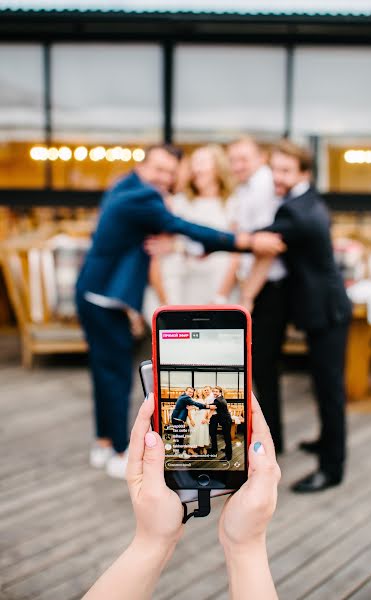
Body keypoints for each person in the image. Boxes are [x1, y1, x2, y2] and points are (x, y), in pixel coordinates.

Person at [76, 144, 279, 479]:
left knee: (105, 371)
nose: (165, 177)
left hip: (98, 290)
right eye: (159, 168)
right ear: (143, 164)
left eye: (171, 171)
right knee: (114, 374)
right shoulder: (144, 196)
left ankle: (103, 443)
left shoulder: (124, 186)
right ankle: (115, 449)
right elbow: (187, 228)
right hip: (105, 294)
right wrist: (245, 242)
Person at [83, 392, 280, 600]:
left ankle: (197, 452)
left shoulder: (205, 400)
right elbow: (197, 405)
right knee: (190, 437)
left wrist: (152, 540)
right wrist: (246, 544)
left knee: (196, 437)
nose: (199, 394)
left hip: (196, 420)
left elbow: (206, 407)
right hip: (185, 420)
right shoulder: (187, 399)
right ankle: (194, 452)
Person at [250, 139, 352, 492]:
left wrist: (211, 239)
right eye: (274, 169)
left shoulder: (293, 210)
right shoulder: (307, 200)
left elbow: (256, 240)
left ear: (304, 173)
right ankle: (326, 441)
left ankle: (332, 467)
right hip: (323, 307)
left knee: (329, 390)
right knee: (324, 385)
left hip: (327, 311)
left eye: (286, 171)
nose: (278, 177)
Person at [216, 136, 290, 455]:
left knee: (263, 366)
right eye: (232, 160)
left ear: (260, 157)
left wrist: (247, 295)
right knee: (259, 366)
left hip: (268, 290)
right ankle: (267, 438)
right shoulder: (248, 188)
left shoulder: (262, 188)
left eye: (243, 158)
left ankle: (270, 442)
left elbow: (266, 248)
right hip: (259, 288)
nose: (236, 166)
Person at [150, 143, 236, 307]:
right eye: (193, 163)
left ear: (218, 167)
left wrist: (221, 295)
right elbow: (161, 248)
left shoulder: (232, 203)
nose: (196, 169)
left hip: (219, 283)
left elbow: (236, 252)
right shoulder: (179, 203)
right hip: (188, 284)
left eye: (202, 162)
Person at [209, 386, 233, 461]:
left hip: (226, 420)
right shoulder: (221, 398)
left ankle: (228, 456)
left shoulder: (218, 400)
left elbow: (209, 406)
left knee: (227, 438)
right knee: (226, 437)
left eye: (216, 391)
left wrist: (197, 406)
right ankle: (226, 449)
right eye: (214, 391)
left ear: (220, 392)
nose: (214, 393)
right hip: (225, 420)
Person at [187, 389, 211, 455]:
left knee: (203, 433)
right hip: (197, 419)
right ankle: (190, 449)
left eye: (200, 392)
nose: (199, 393)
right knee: (195, 434)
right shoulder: (194, 400)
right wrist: (191, 420)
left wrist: (205, 418)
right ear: (196, 393)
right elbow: (189, 410)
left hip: (203, 419)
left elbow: (206, 411)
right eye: (198, 392)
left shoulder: (205, 400)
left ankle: (202, 448)